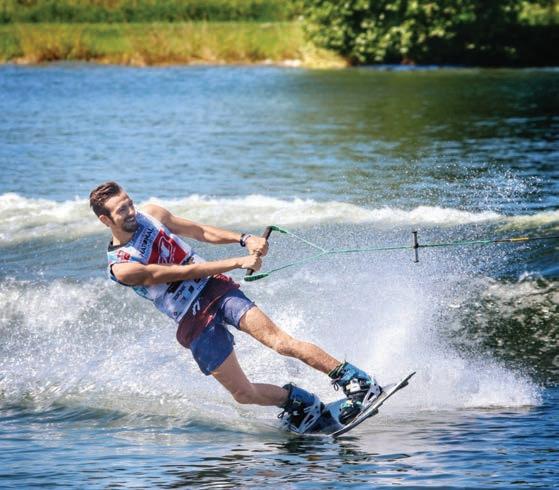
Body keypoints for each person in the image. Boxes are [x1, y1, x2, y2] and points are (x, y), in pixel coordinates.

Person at [89, 181, 381, 432]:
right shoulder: (122, 267)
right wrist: (237, 262)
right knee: (242, 393)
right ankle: (301, 405)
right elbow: (181, 272)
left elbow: (200, 231)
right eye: (122, 210)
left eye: (130, 203)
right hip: (192, 320)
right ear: (105, 220)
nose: (132, 211)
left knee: (281, 342)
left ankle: (357, 381)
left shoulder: (152, 214)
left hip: (215, 290)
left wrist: (244, 239)